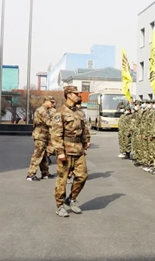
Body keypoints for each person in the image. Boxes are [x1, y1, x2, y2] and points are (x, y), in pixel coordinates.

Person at [51, 86, 90, 217]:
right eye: (76, 93)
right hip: (66, 151)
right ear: (68, 95)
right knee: (62, 180)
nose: (79, 95)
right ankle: (60, 205)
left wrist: (85, 145)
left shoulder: (79, 112)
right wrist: (59, 151)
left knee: (82, 176)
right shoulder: (60, 112)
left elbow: (84, 130)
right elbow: (56, 134)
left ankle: (71, 199)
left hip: (78, 150)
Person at [26, 96, 56, 181]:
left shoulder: (47, 110)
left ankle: (45, 173)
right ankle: (30, 174)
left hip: (45, 135)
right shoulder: (41, 110)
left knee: (43, 155)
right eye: (52, 102)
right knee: (37, 154)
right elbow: (49, 122)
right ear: (46, 101)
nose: (53, 104)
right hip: (40, 135)